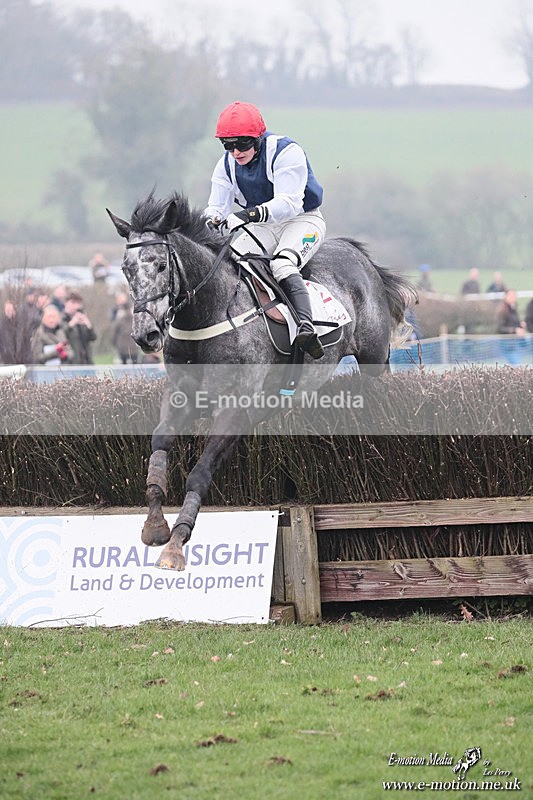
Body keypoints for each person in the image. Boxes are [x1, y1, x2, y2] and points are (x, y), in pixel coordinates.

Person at [204, 101, 326, 358]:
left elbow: (289, 203)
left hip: (302, 220)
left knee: (282, 264)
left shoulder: (285, 151)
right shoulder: (225, 165)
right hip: (264, 227)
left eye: (242, 144)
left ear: (257, 138)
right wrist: (211, 220)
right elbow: (216, 206)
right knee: (228, 261)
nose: (236, 152)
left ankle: (306, 325)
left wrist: (247, 215)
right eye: (228, 145)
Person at [63, 291, 97, 364]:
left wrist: (88, 325)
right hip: (70, 363)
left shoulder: (82, 318)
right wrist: (71, 324)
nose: (76, 306)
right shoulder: (61, 318)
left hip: (87, 362)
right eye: (73, 302)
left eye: (78, 303)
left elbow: (93, 337)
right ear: (66, 303)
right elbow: (61, 336)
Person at [111, 292, 137, 364]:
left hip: (132, 346)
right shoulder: (116, 312)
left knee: (135, 368)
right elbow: (114, 328)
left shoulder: (132, 311)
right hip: (121, 347)